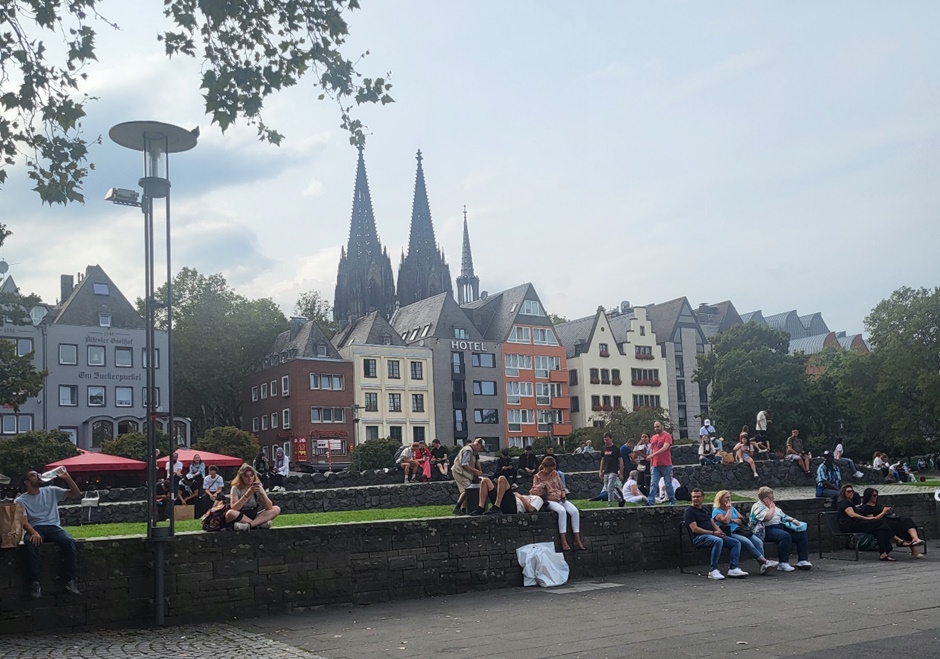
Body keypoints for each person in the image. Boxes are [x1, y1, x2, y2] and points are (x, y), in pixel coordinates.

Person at [16, 468, 82, 598]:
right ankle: (34, 582)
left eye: (38, 474)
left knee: (68, 541)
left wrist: (67, 478)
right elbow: (24, 521)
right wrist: (33, 532)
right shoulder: (20, 500)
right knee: (29, 543)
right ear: (26, 482)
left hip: (54, 527)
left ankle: (71, 581)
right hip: (36, 528)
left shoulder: (51, 490)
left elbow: (76, 493)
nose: (38, 476)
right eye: (34, 475)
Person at [683, 488, 746, 580]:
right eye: (694, 497)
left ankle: (734, 568)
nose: (695, 499)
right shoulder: (689, 511)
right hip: (699, 537)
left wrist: (720, 532)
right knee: (718, 541)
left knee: (735, 543)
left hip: (713, 534)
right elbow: (695, 529)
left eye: (698, 497)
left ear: (702, 498)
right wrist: (713, 533)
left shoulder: (705, 509)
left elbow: (712, 522)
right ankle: (713, 570)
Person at [711, 490, 777, 575]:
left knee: (758, 541)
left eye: (729, 497)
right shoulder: (717, 511)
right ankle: (765, 562)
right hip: (729, 532)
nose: (729, 499)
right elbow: (726, 521)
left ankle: (762, 565)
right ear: (720, 499)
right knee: (747, 542)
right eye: (726, 497)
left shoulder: (733, 509)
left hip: (739, 530)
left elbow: (741, 520)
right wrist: (729, 510)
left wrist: (732, 519)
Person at [750, 487, 812, 571]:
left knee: (801, 534)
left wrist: (792, 520)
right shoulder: (758, 506)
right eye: (771, 497)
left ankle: (803, 560)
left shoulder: (773, 505)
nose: (773, 498)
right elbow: (768, 518)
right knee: (785, 536)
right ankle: (783, 563)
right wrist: (772, 508)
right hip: (765, 530)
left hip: (778, 526)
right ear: (765, 498)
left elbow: (782, 515)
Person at [531, 456, 585, 551]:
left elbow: (561, 487)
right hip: (549, 499)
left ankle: (577, 538)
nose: (552, 471)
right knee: (562, 511)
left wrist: (563, 495)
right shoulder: (537, 477)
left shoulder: (555, 474)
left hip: (560, 498)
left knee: (575, 512)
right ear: (545, 467)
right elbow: (536, 492)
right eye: (550, 468)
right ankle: (563, 539)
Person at [857, 487, 925, 558]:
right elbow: (873, 520)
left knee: (906, 520)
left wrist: (888, 511)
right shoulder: (866, 508)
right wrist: (883, 512)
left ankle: (915, 539)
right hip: (881, 524)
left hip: (887, 520)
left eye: (877, 495)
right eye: (874, 495)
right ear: (868, 496)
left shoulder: (877, 505)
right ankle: (913, 549)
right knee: (901, 526)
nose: (876, 497)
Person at [834, 484, 896, 561]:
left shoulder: (850, 502)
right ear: (844, 493)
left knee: (879, 529)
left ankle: (883, 554)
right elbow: (852, 514)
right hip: (849, 525)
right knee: (879, 522)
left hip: (855, 524)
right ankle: (896, 539)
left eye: (852, 491)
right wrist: (867, 518)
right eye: (848, 491)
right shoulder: (844, 502)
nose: (851, 493)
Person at [225, 463, 281, 530]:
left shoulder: (257, 486)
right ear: (241, 477)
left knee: (276, 509)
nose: (250, 478)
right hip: (240, 515)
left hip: (253, 515)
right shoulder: (236, 488)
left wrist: (262, 494)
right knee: (230, 513)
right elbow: (234, 508)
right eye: (246, 476)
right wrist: (247, 495)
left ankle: (250, 525)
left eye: (251, 475)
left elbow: (269, 507)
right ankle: (258, 524)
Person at [452, 438, 485, 514]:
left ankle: (463, 510)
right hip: (459, 472)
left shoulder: (474, 451)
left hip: (465, 473)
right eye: (481, 447)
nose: (481, 449)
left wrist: (480, 472)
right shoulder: (468, 450)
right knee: (467, 490)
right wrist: (476, 471)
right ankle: (457, 508)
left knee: (466, 491)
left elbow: (477, 461)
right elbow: (464, 464)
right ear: (477, 444)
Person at [646, 421, 675, 506]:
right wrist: (651, 464)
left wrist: (652, 455)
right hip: (655, 465)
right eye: (655, 427)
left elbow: (665, 448)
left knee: (668, 484)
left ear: (662, 426)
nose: (656, 428)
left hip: (666, 464)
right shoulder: (653, 437)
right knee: (653, 484)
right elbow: (652, 450)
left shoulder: (667, 436)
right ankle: (650, 502)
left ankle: (672, 501)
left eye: (658, 426)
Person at [598, 432, 624, 508]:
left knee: (610, 487)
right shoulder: (603, 449)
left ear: (611, 439)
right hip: (606, 471)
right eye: (605, 440)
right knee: (608, 488)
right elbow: (602, 460)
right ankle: (620, 499)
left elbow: (620, 460)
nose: (606, 441)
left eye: (607, 440)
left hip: (613, 470)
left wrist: (621, 472)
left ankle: (610, 504)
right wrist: (600, 470)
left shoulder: (616, 449)